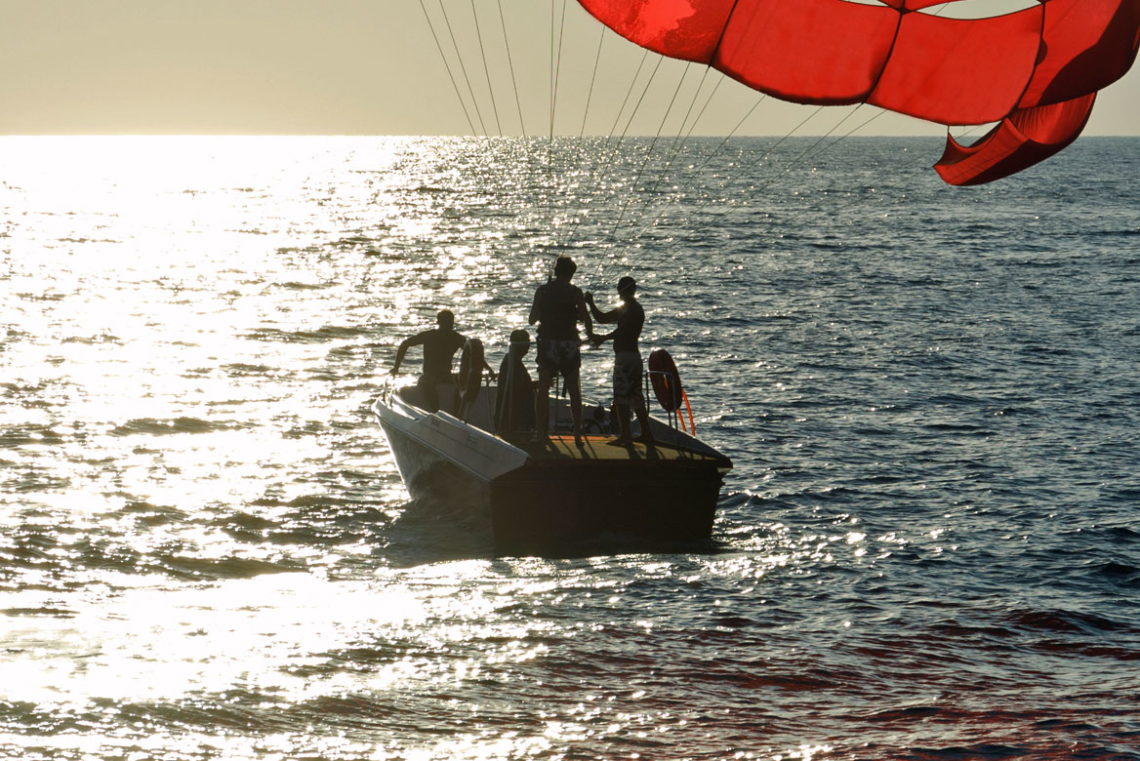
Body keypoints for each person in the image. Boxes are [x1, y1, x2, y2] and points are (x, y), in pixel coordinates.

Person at [528, 256, 593, 445]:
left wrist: (543, 311)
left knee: (543, 388)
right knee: (574, 389)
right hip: (569, 345)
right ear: (572, 273)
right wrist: (591, 335)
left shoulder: (543, 290)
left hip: (547, 343)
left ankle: (541, 432)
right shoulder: (575, 292)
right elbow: (585, 318)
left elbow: (532, 319)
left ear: (556, 272)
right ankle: (578, 434)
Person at [586, 276, 654, 445]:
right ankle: (645, 434)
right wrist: (591, 304)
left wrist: (603, 337)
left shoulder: (631, 309)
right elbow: (601, 318)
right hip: (633, 357)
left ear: (622, 291)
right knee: (636, 397)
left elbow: (622, 331)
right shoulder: (632, 308)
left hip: (625, 358)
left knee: (622, 397)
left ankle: (626, 436)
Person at [389, 309, 468, 412]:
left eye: (450, 322)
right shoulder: (430, 336)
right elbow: (405, 344)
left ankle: (457, 413)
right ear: (439, 323)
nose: (449, 325)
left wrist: (488, 369)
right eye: (446, 322)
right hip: (430, 375)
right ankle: (436, 412)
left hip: (445, 376)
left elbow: (474, 353)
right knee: (427, 384)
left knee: (462, 383)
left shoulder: (456, 338)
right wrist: (396, 367)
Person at [494, 329, 536, 434]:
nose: (529, 345)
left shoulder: (513, 361)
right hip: (513, 413)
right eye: (526, 342)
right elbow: (517, 388)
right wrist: (538, 384)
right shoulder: (512, 363)